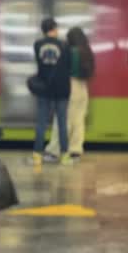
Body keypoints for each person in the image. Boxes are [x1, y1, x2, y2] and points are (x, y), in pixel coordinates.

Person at [45, 25, 94, 159]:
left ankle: (54, 151)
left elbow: (60, 71)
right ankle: (75, 150)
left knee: (61, 119)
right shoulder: (87, 52)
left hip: (69, 86)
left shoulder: (69, 51)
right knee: (78, 120)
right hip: (83, 89)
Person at [32, 17, 72, 166]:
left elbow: (40, 65)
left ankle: (37, 154)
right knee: (62, 123)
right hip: (61, 90)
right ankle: (64, 155)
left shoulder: (37, 44)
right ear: (54, 28)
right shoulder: (64, 45)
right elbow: (68, 67)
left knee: (41, 123)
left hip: (44, 89)